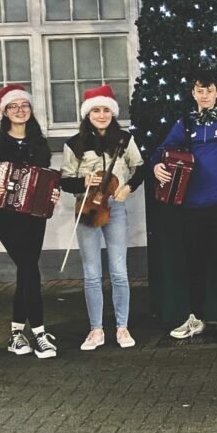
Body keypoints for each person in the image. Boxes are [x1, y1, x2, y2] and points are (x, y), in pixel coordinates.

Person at [0, 85, 61, 358]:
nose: (20, 110)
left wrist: (53, 189)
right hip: (6, 216)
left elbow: (45, 176)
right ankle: (40, 333)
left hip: (35, 215)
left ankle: (17, 334)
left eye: (24, 105)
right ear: (4, 112)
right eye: (13, 106)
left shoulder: (38, 142)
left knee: (26, 271)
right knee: (30, 269)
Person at [152, 69, 217, 341]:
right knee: (194, 263)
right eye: (199, 90)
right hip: (191, 206)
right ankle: (196, 318)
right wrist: (156, 165)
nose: (204, 95)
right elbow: (162, 150)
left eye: (209, 90)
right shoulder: (185, 123)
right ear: (193, 93)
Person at [60, 85, 145, 351]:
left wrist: (126, 188)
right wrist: (83, 181)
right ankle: (96, 330)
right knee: (92, 273)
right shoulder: (74, 144)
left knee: (119, 271)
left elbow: (139, 168)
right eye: (96, 110)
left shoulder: (124, 139)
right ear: (87, 114)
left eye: (106, 110)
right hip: (86, 209)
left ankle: (122, 327)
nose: (101, 114)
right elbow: (64, 180)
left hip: (115, 208)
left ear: (112, 112)